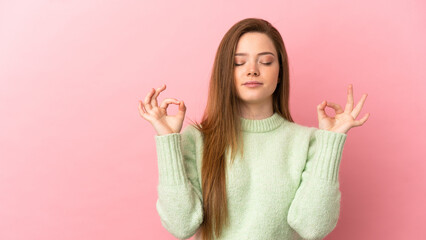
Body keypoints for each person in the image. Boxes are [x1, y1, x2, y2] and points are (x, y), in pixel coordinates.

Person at [138, 18, 369, 240]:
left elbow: (312, 228)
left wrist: (331, 142)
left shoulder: (307, 142)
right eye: (239, 62)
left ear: (280, 73)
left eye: (266, 61)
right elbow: (181, 226)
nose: (252, 70)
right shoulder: (197, 140)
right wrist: (167, 139)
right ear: (225, 73)